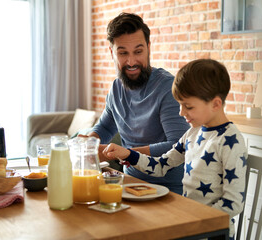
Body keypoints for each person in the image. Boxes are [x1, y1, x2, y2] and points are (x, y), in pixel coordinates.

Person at [103, 59, 247, 239]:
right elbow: (160, 166)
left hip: (213, 233)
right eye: (180, 104)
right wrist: (129, 154)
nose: (180, 113)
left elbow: (234, 203)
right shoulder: (193, 134)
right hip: (191, 226)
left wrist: (191, 218)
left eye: (188, 106)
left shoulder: (230, 141)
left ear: (216, 104)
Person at [84, 13, 189, 194]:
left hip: (170, 191)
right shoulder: (116, 88)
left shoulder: (168, 88)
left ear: (148, 48)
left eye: (138, 51)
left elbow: (178, 145)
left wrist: (126, 153)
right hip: (129, 184)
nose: (131, 62)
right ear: (112, 53)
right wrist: (85, 144)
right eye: (123, 53)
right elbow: (105, 128)